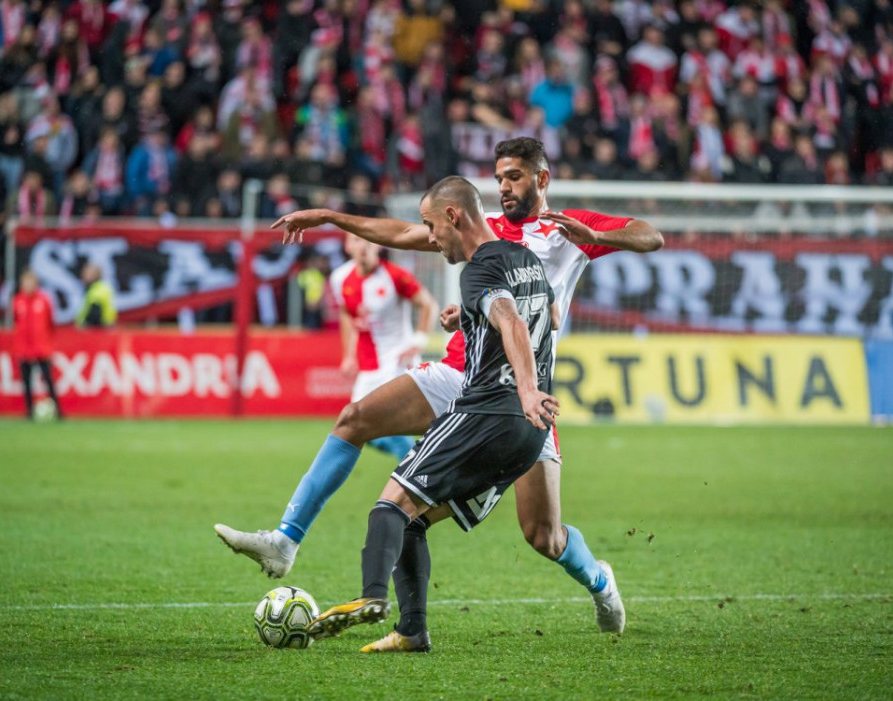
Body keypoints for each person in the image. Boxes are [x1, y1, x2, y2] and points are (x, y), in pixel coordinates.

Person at [215, 138, 663, 637]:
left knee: (543, 535)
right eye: (499, 178)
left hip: (518, 390)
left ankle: (600, 580)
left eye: (514, 177)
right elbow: (404, 233)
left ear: (542, 179)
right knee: (354, 418)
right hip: (459, 372)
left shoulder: (569, 230)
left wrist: (599, 235)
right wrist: (330, 217)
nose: (504, 187)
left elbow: (650, 236)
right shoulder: (480, 225)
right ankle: (285, 541)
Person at [305, 176, 564, 651]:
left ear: (453, 216)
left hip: (487, 415)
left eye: (430, 225)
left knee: (390, 505)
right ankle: (412, 632)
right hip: (529, 437)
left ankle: (371, 597)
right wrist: (468, 317)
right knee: (415, 520)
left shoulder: (478, 270)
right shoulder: (526, 260)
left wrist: (526, 389)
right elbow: (550, 315)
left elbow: (510, 319)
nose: (430, 237)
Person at [331, 233, 438, 460]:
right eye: (357, 240)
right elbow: (347, 315)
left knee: (386, 421)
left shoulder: (395, 275)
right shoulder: (339, 278)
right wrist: (348, 356)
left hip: (398, 360)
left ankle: (415, 466)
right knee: (354, 425)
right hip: (369, 363)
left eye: (368, 241)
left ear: (378, 246)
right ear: (348, 246)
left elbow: (428, 304)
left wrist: (419, 341)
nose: (363, 246)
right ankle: (419, 460)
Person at [13, 269, 62, 419]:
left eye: (30, 282)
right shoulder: (17, 301)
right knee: (27, 382)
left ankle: (58, 411)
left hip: (42, 347)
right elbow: (16, 322)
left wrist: (48, 343)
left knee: (48, 379)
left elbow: (50, 323)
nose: (27, 285)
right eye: (25, 282)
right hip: (24, 348)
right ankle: (29, 411)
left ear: (36, 284)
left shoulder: (44, 300)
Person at [75, 262, 116, 327]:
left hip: (99, 328)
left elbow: (95, 312)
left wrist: (86, 324)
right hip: (104, 326)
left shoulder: (97, 290)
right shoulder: (99, 287)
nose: (82, 275)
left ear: (95, 275)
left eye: (86, 273)